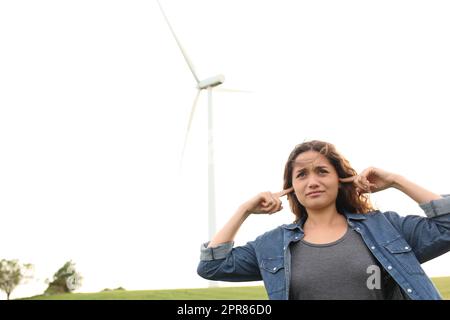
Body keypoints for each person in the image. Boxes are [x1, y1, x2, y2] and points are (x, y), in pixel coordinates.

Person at [197, 140, 450, 300]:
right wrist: (244, 210)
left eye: (322, 171)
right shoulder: (272, 246)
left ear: (340, 180)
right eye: (302, 175)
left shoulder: (385, 228)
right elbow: (212, 267)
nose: (313, 182)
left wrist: (397, 181)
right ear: (290, 188)